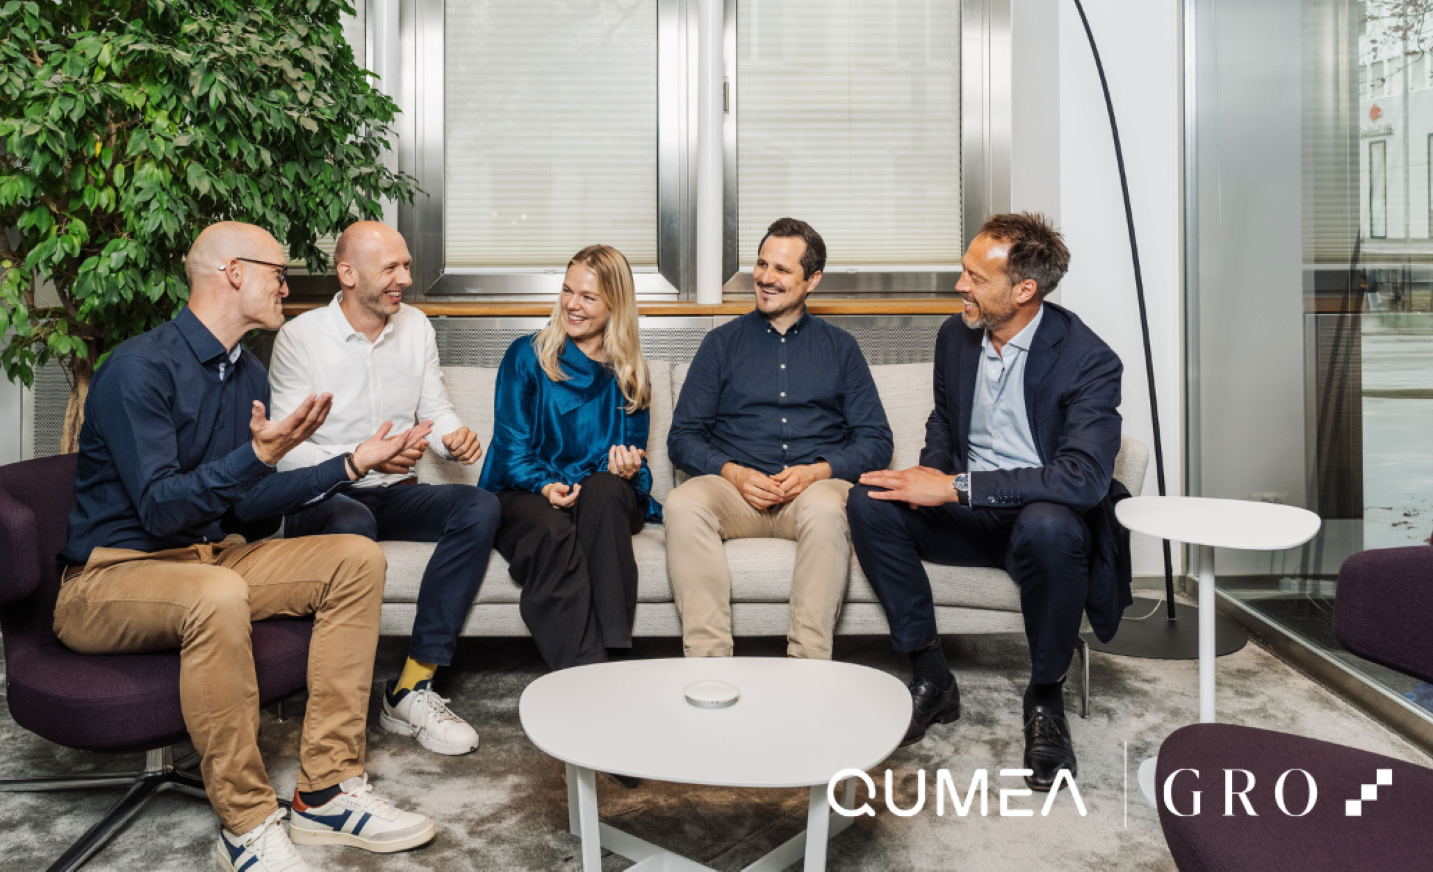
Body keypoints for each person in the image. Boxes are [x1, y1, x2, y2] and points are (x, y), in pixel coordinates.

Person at [56, 222, 438, 872]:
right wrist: (258, 456)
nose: (287, 289)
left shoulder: (247, 373)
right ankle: (247, 824)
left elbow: (243, 508)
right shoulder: (139, 369)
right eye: (278, 275)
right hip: (109, 577)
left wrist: (351, 463)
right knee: (218, 592)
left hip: (212, 558)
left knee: (354, 558)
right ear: (232, 272)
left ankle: (327, 793)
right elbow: (161, 508)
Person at [846, 212, 1131, 791]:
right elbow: (943, 418)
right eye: (964, 271)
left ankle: (1045, 698)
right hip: (966, 517)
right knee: (869, 500)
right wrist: (932, 469)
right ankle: (932, 674)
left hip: (1036, 521)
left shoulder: (1087, 359)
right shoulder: (956, 336)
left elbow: (1082, 479)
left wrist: (954, 487)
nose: (961, 286)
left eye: (976, 277)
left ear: (1024, 290)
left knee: (1051, 525)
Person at [271, 221, 496, 757]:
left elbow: (434, 409)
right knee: (354, 521)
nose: (405, 279)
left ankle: (410, 688)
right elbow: (283, 451)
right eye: (391, 268)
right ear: (348, 274)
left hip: (393, 490)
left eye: (407, 265)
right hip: (325, 496)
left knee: (479, 506)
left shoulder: (415, 327)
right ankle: (333, 696)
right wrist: (357, 459)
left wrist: (452, 439)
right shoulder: (300, 338)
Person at [665, 217, 893, 661]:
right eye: (761, 264)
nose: (766, 277)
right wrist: (733, 473)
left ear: (813, 280)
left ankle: (808, 662)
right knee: (683, 503)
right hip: (735, 493)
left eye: (782, 269)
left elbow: (876, 440)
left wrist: (818, 472)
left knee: (827, 508)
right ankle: (707, 661)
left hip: (811, 494)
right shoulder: (720, 345)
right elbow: (683, 437)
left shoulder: (842, 348)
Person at [477, 244, 657, 670]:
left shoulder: (630, 373)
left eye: (588, 297)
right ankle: (587, 669)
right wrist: (545, 486)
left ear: (614, 305)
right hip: (528, 491)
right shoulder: (526, 355)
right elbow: (511, 452)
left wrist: (628, 469)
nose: (572, 304)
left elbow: (639, 469)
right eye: (567, 290)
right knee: (553, 530)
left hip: (598, 499)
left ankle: (613, 651)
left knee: (606, 491)